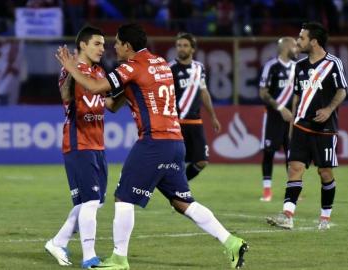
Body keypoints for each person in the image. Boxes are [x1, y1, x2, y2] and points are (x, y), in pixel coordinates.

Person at [56, 23, 248, 269]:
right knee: (183, 202)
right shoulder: (160, 63)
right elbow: (114, 104)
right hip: (175, 141)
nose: (113, 47)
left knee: (123, 198)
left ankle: (119, 259)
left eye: (116, 43)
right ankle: (231, 241)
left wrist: (71, 67)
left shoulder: (131, 66)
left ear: (127, 46)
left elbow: (94, 87)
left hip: (154, 141)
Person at [44, 26, 124, 268]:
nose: (103, 48)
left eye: (103, 44)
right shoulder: (70, 70)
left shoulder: (98, 72)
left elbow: (110, 105)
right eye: (97, 44)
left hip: (97, 143)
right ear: (83, 46)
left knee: (93, 203)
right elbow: (66, 97)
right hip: (78, 142)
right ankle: (89, 257)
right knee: (89, 202)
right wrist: (69, 70)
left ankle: (58, 242)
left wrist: (127, 91)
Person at [266, 22, 347, 230]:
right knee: (294, 168)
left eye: (301, 38)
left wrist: (329, 110)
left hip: (325, 129)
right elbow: (297, 96)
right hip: (302, 126)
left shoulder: (333, 63)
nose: (298, 42)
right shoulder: (299, 66)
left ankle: (325, 218)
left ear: (314, 41)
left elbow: (342, 91)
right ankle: (287, 215)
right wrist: (293, 123)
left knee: (325, 173)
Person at [169, 32, 221, 182]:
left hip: (195, 122)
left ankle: (179, 187)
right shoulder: (170, 68)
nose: (181, 49)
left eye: (185, 45)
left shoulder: (200, 68)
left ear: (193, 49)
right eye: (179, 45)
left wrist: (213, 117)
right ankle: (178, 192)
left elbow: (203, 92)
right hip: (176, 123)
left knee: (202, 161)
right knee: (173, 163)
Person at [258, 37, 298, 202]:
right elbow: (263, 92)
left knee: (292, 154)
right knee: (269, 153)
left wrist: (295, 113)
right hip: (273, 117)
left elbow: (298, 94)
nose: (297, 49)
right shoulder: (271, 67)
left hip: (292, 118)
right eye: (294, 46)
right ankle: (267, 190)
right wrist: (281, 108)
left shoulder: (298, 68)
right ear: (286, 47)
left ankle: (293, 188)